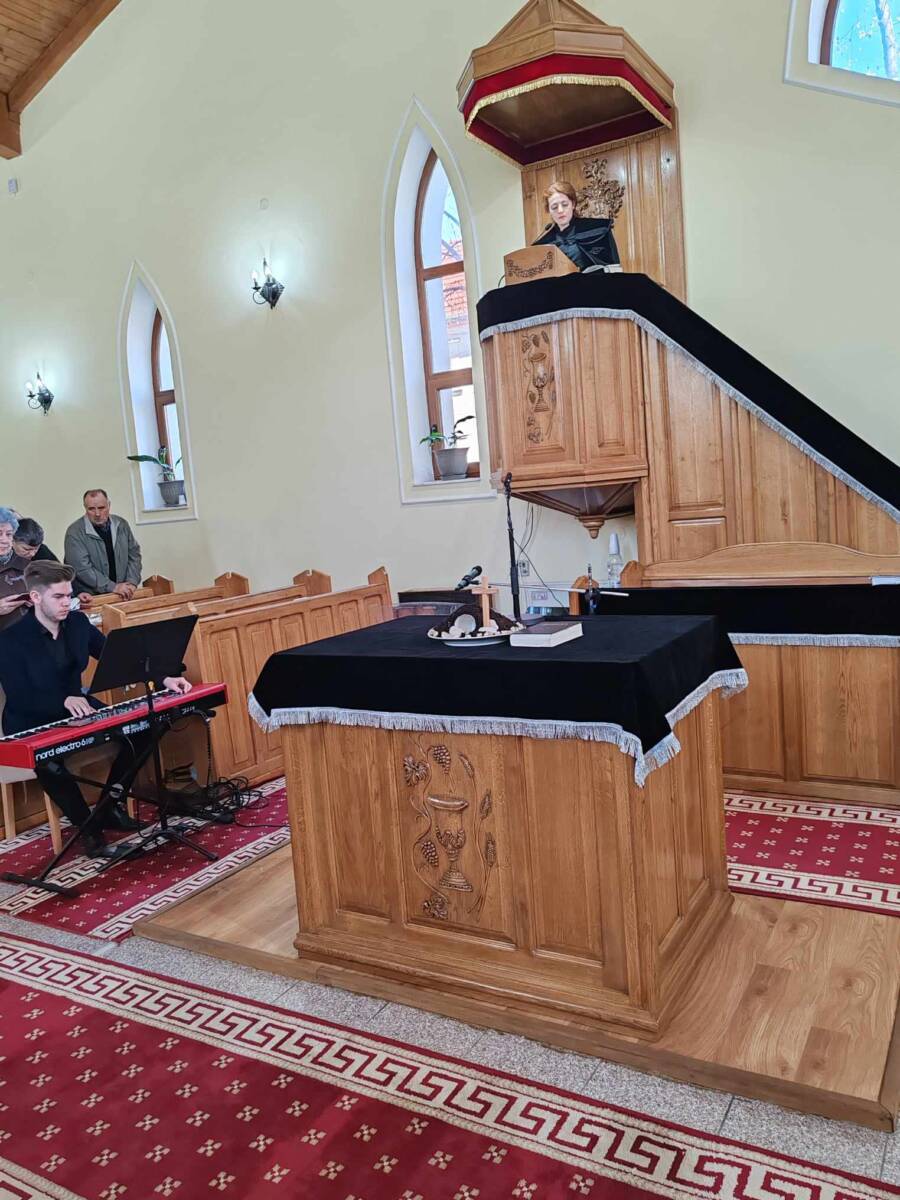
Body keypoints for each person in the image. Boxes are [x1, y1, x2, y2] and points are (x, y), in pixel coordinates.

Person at [0, 560, 191, 859]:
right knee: (49, 763)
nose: (67, 603)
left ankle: (109, 806)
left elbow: (121, 658)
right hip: (30, 719)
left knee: (144, 728)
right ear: (35, 597)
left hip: (78, 709)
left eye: (69, 595)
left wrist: (164, 678)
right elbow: (19, 695)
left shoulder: (77, 624)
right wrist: (62, 701)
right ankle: (90, 832)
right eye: (58, 597)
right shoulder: (10, 640)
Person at [64, 489, 142, 598]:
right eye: (91, 509)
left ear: (109, 505)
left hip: (123, 593)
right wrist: (112, 587)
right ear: (85, 508)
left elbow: (134, 555)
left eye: (101, 508)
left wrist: (131, 582)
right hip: (91, 596)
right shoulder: (74, 532)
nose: (97, 513)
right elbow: (82, 569)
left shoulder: (121, 524)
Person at [532, 179, 621, 272]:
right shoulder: (542, 244)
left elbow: (614, 269)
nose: (560, 210)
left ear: (573, 204)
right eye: (554, 207)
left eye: (565, 205)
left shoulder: (599, 229)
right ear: (548, 210)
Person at [0, 506, 29, 632]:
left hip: (28, 633)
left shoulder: (27, 565)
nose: (4, 540)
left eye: (9, 534)